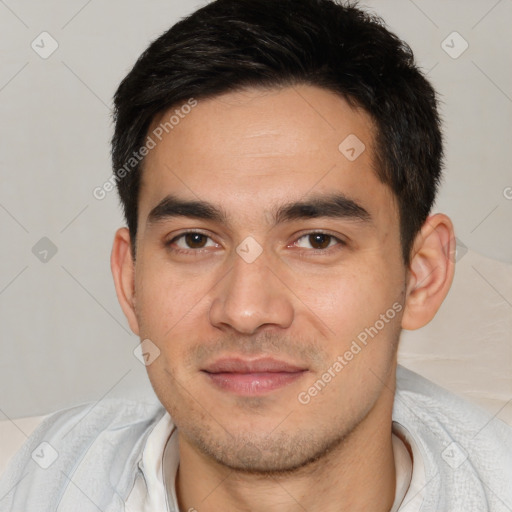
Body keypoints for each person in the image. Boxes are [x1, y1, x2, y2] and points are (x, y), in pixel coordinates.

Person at [1, 0, 511, 510]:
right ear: (130, 279)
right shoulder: (26, 480)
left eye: (317, 240)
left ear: (421, 275)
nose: (245, 311)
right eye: (194, 240)